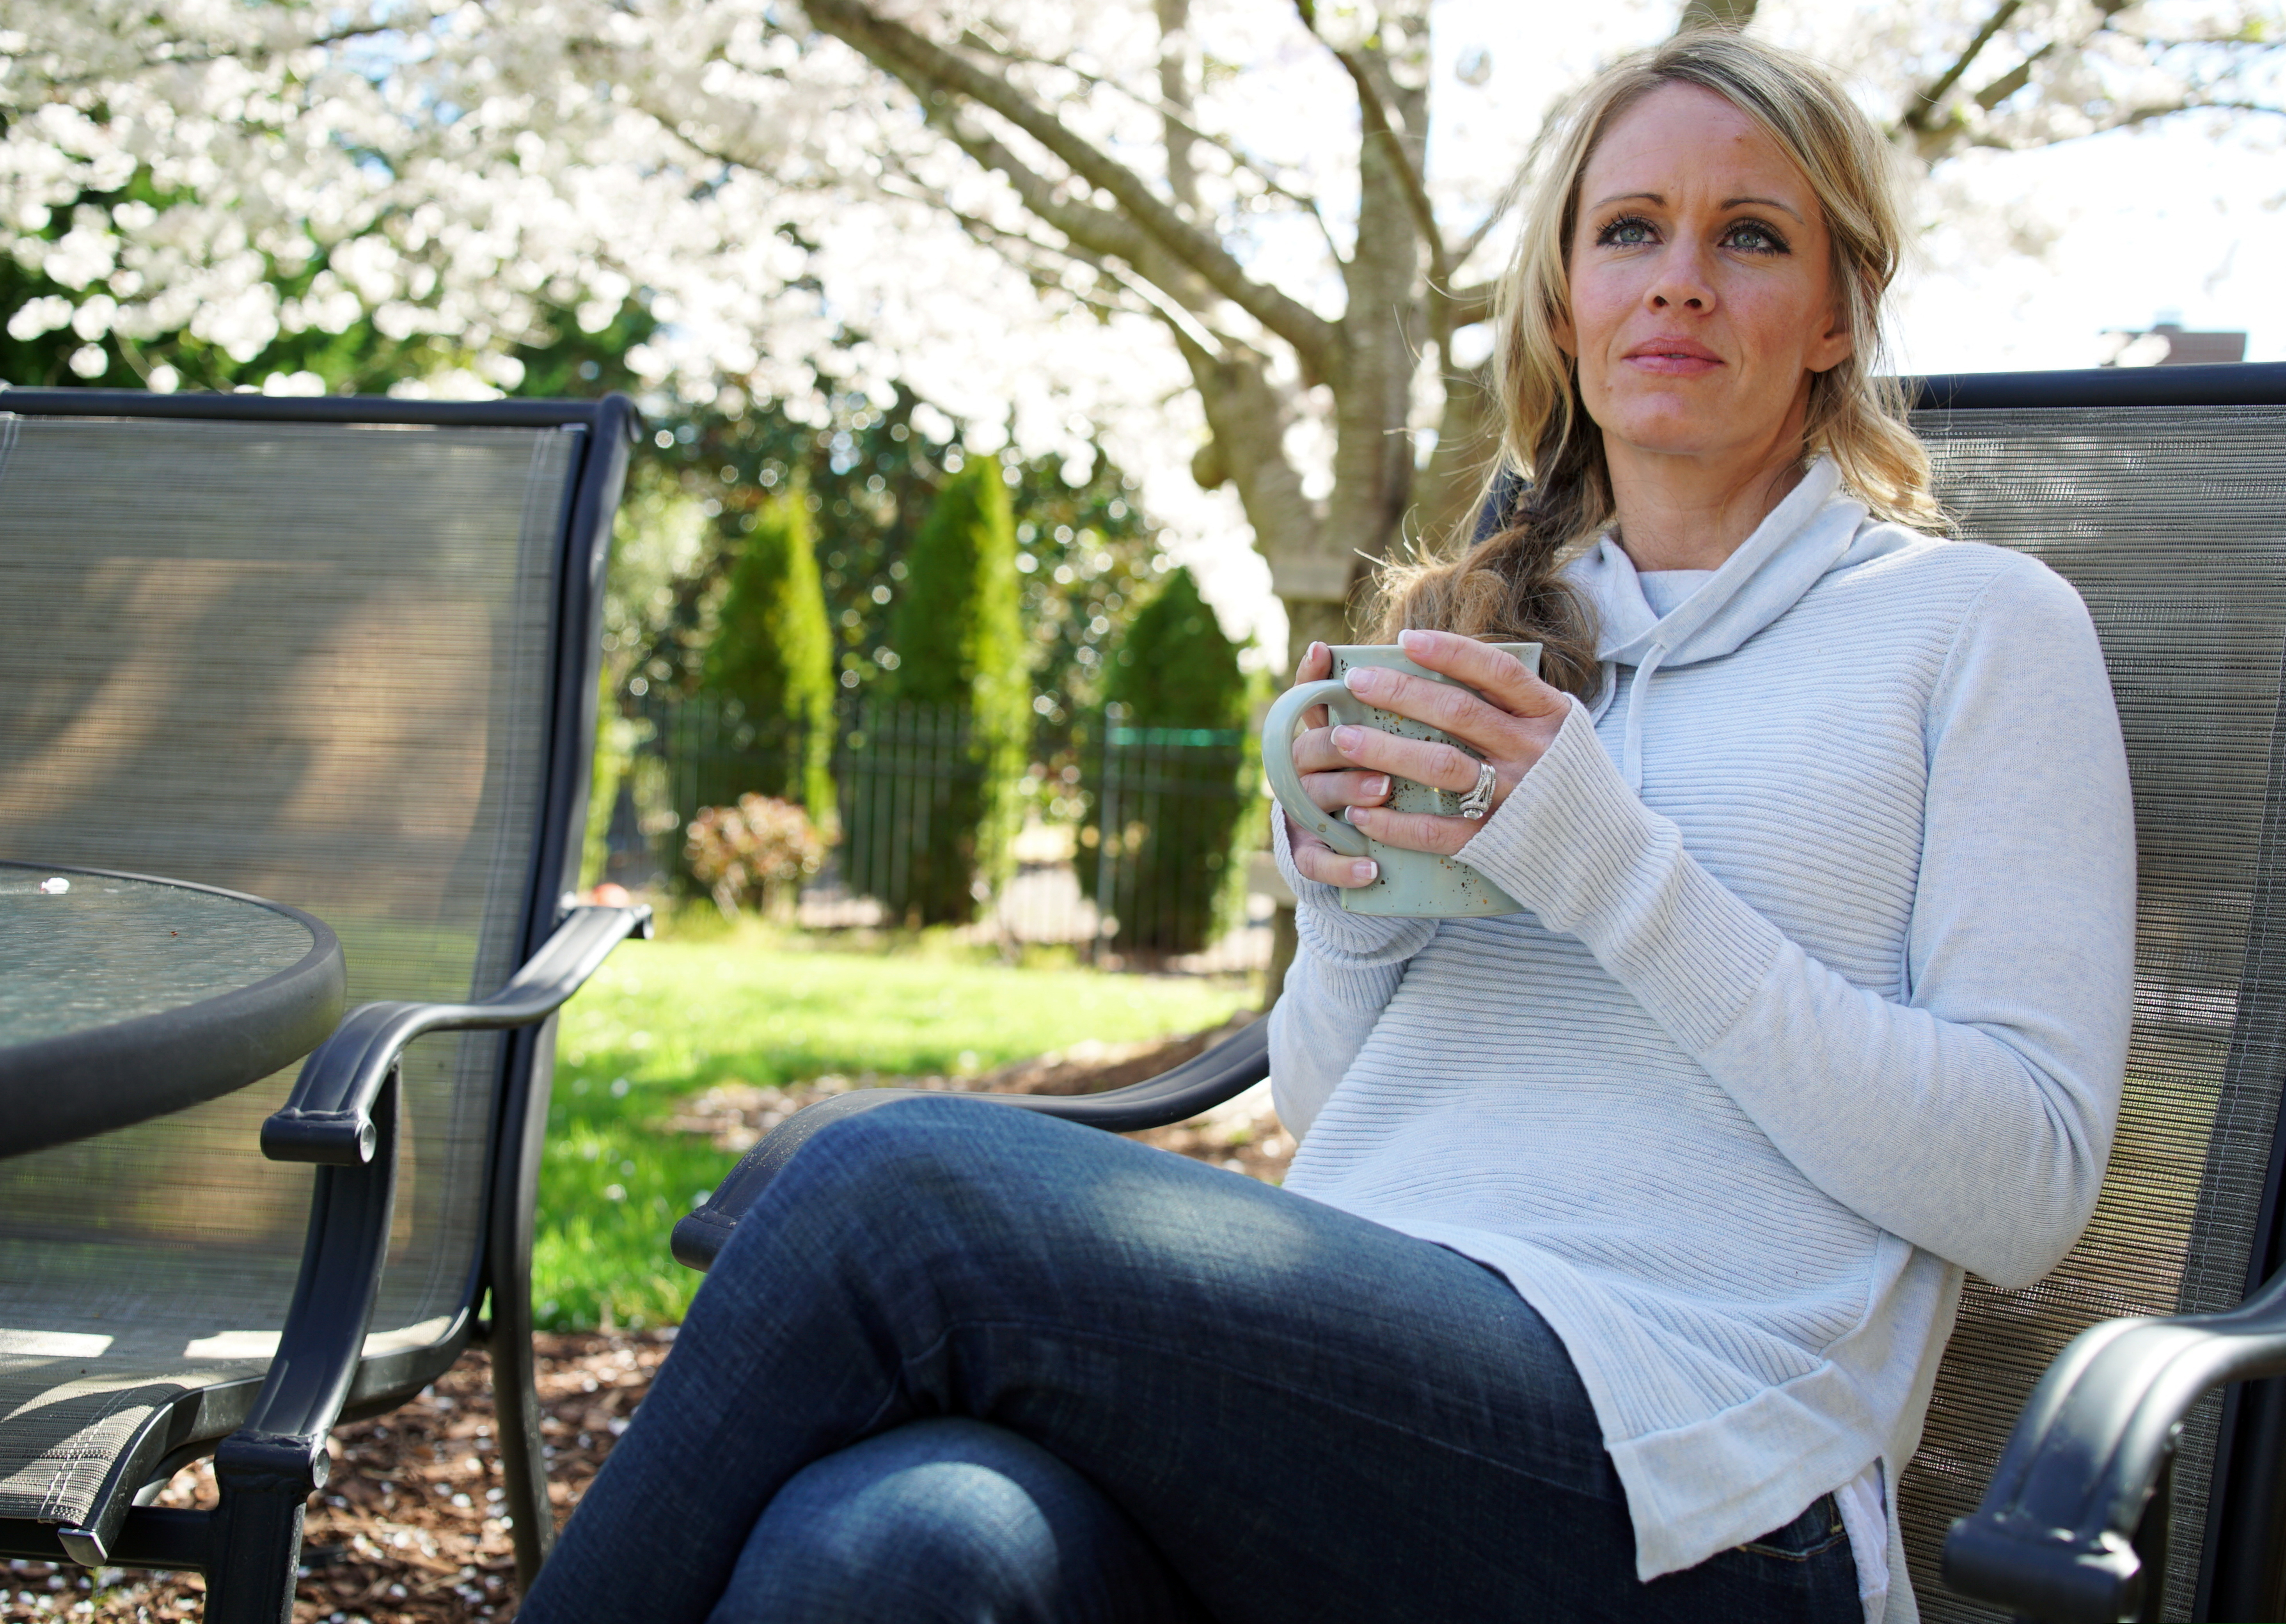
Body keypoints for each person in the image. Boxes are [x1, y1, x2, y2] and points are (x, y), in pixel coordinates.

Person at [518, 29, 2132, 1624]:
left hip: (1701, 1481)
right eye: (1626, 229)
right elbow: (1343, 1107)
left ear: (1840, 311)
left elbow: (2024, 1184)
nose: (1678, 279)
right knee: (896, 1537)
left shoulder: (1974, 628)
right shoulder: (1481, 635)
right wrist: (1353, 912)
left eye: (1750, 236)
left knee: (894, 1193)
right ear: (1564, 301)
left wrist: (1614, 872)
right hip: (1343, 1408)